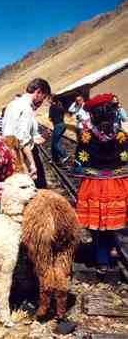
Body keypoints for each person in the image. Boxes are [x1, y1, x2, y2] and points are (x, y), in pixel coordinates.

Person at [72, 93, 128, 276]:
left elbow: (79, 165)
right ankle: (111, 248)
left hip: (94, 186)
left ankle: (102, 260)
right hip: (116, 186)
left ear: (93, 115)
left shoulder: (86, 137)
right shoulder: (122, 136)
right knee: (110, 220)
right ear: (112, 114)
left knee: (97, 224)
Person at [2, 78, 51, 183]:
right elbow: (23, 140)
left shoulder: (12, 104)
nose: (42, 100)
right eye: (44, 96)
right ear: (38, 92)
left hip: (9, 153)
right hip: (20, 157)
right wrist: (32, 164)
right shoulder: (26, 108)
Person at [49, 95, 69, 165]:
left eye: (49, 99)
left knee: (55, 143)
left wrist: (51, 120)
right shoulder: (60, 106)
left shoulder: (52, 107)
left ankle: (65, 155)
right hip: (62, 125)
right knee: (55, 142)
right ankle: (55, 159)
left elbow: (50, 118)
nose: (48, 101)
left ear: (52, 100)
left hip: (58, 126)